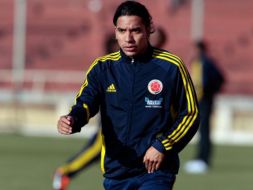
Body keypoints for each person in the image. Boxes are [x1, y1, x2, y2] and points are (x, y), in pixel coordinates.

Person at [57, 1, 200, 190]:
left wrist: (162, 145)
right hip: (117, 172)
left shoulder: (171, 67)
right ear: (115, 32)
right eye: (122, 31)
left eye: (136, 30)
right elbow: (85, 103)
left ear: (149, 29)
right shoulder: (102, 68)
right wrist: (72, 119)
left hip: (155, 171)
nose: (128, 38)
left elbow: (190, 114)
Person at [52, 33, 119, 190]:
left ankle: (66, 172)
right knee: (95, 150)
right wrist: (74, 118)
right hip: (110, 126)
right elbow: (87, 100)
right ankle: (65, 172)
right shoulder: (105, 69)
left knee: (99, 154)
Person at [184, 40, 224, 174]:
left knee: (204, 130)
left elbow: (219, 78)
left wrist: (209, 92)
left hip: (204, 100)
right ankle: (200, 158)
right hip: (200, 100)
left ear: (198, 49)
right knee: (201, 130)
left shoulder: (205, 62)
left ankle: (204, 159)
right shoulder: (199, 62)